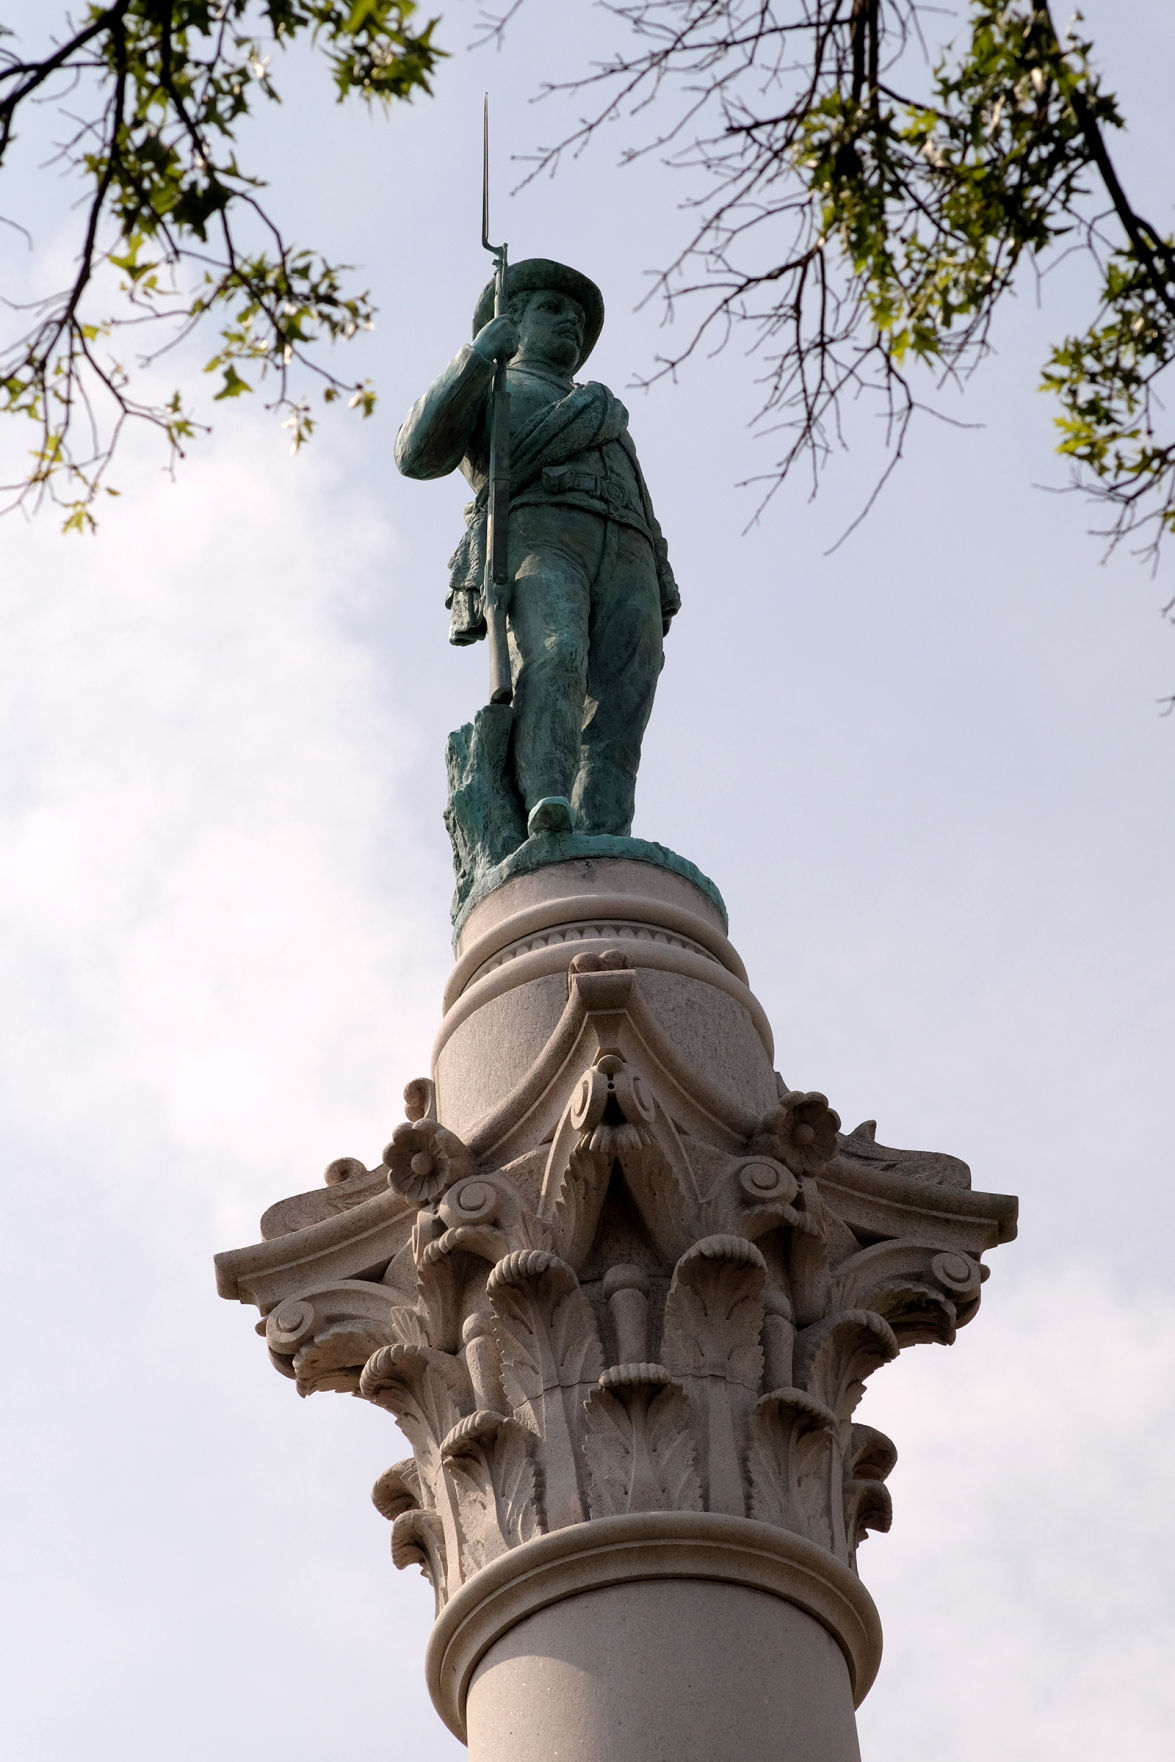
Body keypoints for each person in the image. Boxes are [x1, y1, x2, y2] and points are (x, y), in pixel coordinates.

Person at [395, 259, 680, 839]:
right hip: (540, 536)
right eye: (553, 310)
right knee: (555, 654)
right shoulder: (494, 385)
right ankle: (547, 800)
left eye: (578, 318)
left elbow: (643, 499)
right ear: (514, 322)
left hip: (627, 551)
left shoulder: (602, 409)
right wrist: (475, 358)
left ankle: (605, 828)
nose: (571, 324)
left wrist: (661, 570)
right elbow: (417, 454)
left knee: (625, 695)